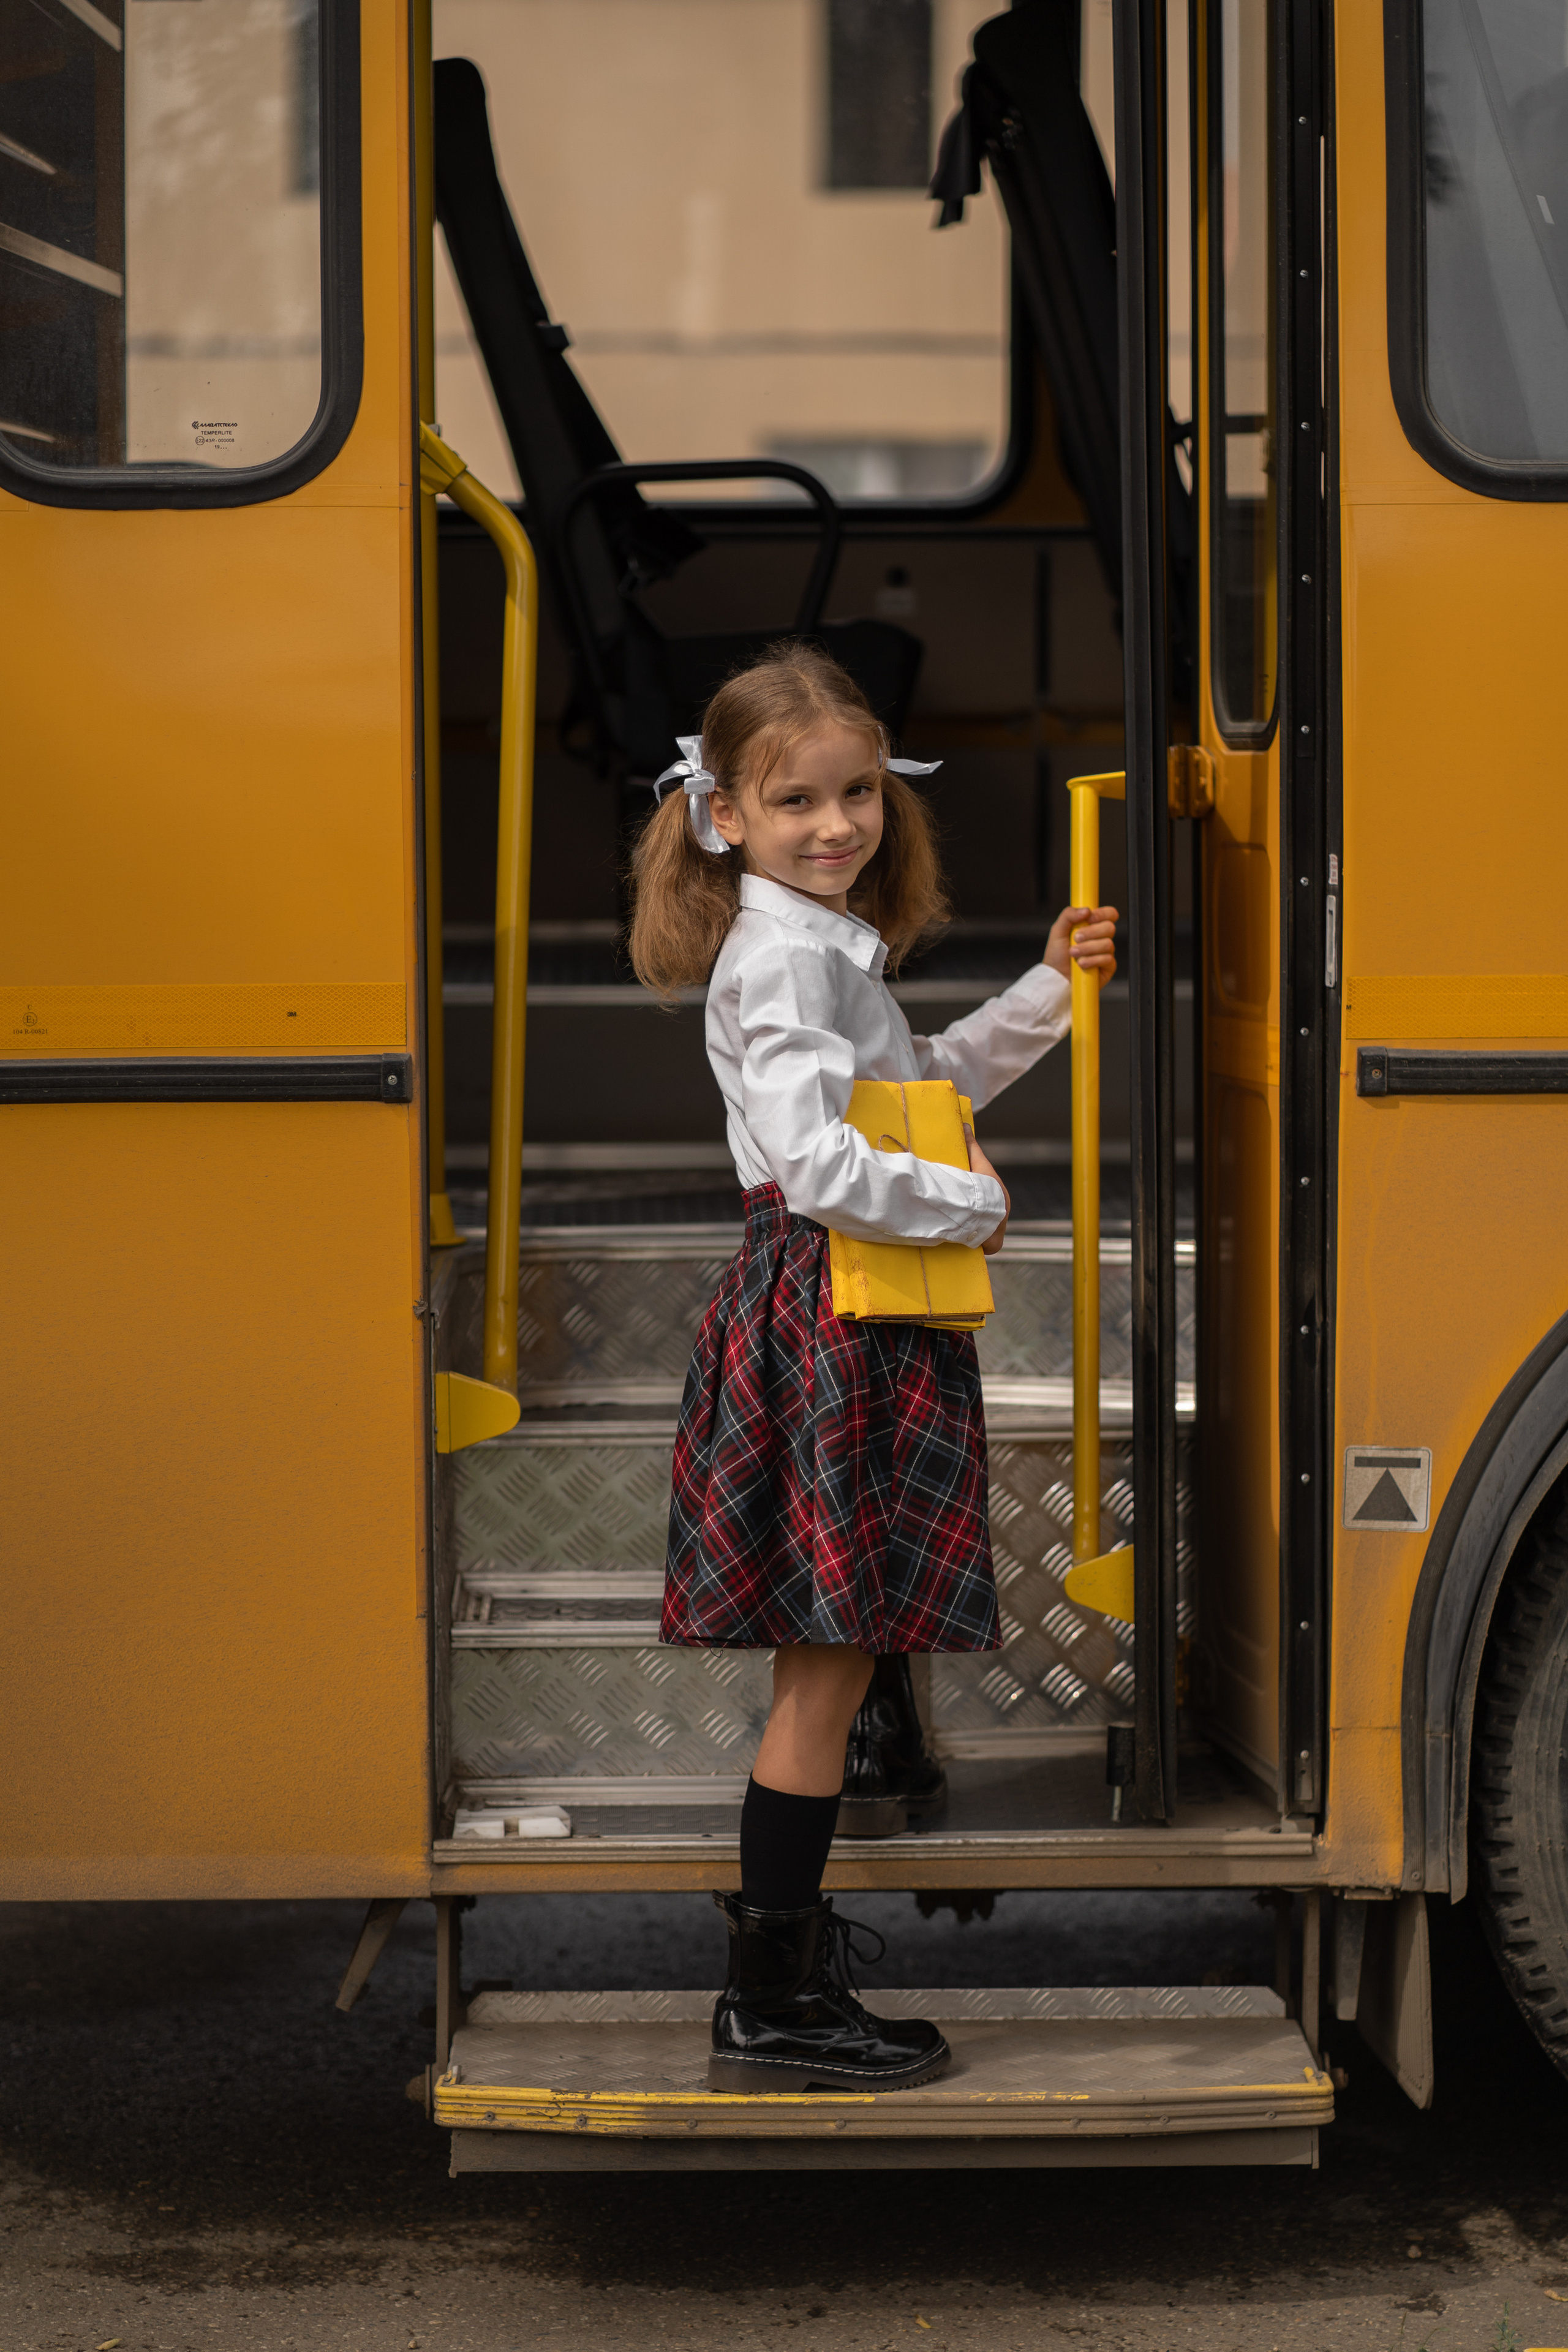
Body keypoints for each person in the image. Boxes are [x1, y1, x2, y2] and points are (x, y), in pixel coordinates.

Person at [628, 641, 1118, 2092]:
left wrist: (1040, 989)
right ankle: (769, 1999)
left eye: (856, 795)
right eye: (797, 803)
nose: (836, 825)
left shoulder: (824, 946)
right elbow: (823, 1160)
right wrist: (973, 1204)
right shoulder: (777, 956)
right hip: (829, 1310)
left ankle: (791, 1954)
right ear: (725, 817)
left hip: (854, 1310)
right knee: (821, 1675)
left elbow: (914, 1095)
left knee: (837, 1658)